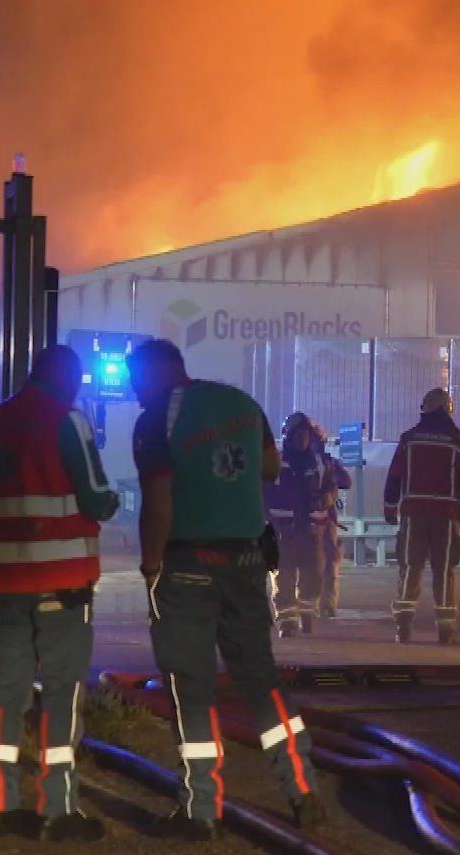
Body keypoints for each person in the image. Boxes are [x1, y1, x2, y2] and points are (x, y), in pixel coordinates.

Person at [130, 339, 322, 840]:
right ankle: (303, 790)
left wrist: (152, 565)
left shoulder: (156, 419)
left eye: (134, 378)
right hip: (247, 558)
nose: (132, 390)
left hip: (188, 562)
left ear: (153, 371)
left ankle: (200, 810)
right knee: (260, 678)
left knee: (190, 687)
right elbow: (270, 469)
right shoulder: (242, 403)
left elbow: (159, 500)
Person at [0, 345, 119, 841]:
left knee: (7, 689)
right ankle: (57, 810)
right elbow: (97, 498)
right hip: (62, 579)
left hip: (6, 580)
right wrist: (112, 499)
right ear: (70, 379)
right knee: (62, 691)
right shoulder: (68, 421)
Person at [383, 389, 460, 646]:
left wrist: (390, 507)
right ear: (448, 409)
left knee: (410, 567)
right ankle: (446, 629)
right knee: (444, 571)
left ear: (424, 408)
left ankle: (403, 625)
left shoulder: (409, 439)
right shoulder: (458, 441)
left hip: (414, 514)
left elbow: (395, 476)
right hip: (446, 516)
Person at [266, 414, 349, 638]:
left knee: (314, 575)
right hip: (283, 530)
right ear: (288, 437)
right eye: (298, 435)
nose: (303, 440)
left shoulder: (321, 463)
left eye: (306, 435)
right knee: (283, 577)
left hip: (313, 530)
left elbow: (334, 487)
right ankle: (287, 620)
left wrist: (325, 501)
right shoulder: (275, 461)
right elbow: (262, 492)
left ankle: (306, 612)